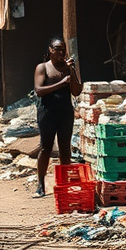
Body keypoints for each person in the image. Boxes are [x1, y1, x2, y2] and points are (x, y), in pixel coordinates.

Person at [33, 37, 82, 198]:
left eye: (63, 49)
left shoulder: (67, 68)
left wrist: (72, 71)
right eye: (58, 49)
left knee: (65, 149)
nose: (61, 52)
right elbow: (39, 90)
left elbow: (76, 91)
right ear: (50, 50)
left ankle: (65, 184)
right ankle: (40, 185)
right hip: (47, 113)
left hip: (65, 112)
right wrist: (61, 83)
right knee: (45, 148)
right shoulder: (43, 68)